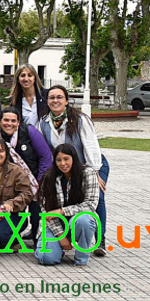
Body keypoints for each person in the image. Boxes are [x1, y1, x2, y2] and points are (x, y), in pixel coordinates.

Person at [38, 85, 108, 257]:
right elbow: (45, 150)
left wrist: (94, 172)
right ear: (47, 101)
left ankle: (100, 239)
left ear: (66, 100)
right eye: (52, 97)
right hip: (63, 166)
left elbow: (91, 146)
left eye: (59, 97)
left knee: (96, 197)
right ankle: (63, 234)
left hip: (90, 163)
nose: (55, 100)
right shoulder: (44, 122)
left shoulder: (80, 120)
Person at [0, 107, 52, 242]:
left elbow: (45, 157)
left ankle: (38, 240)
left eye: (13, 121)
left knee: (36, 210)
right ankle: (12, 232)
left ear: (18, 122)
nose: (9, 124)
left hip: (34, 176)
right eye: (6, 120)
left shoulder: (29, 132)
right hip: (8, 180)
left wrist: (40, 182)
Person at [35, 144, 101, 266]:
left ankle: (81, 258)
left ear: (73, 159)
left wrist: (61, 211)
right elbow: (46, 212)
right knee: (46, 258)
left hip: (77, 223)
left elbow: (90, 205)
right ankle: (56, 249)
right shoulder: (48, 178)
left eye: (66, 159)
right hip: (55, 225)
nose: (63, 163)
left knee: (84, 220)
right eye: (59, 160)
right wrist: (61, 236)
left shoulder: (88, 173)